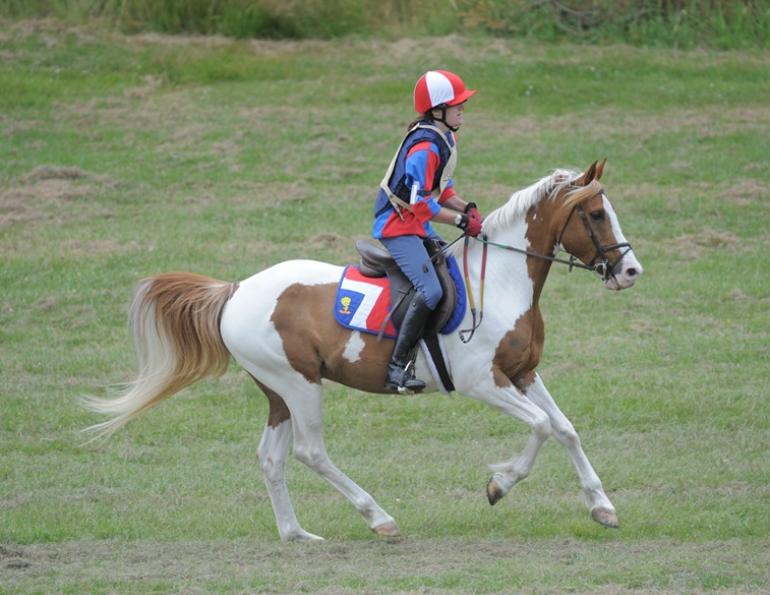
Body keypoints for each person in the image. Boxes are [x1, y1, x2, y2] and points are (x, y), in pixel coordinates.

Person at [372, 69, 483, 393]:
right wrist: (459, 221)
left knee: (452, 266)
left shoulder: (445, 137)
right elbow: (418, 202)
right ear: (437, 111)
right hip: (396, 226)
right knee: (431, 290)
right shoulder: (425, 147)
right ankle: (396, 368)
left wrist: (466, 207)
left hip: (416, 223)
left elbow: (442, 190)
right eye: (457, 104)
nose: (463, 108)